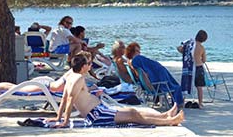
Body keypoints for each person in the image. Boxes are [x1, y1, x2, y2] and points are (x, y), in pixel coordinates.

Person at [45, 53, 184, 128]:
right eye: (89, 64)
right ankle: (169, 121)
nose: (91, 65)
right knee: (134, 116)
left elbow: (64, 98)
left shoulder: (71, 75)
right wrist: (64, 121)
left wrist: (58, 117)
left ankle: (165, 116)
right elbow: (68, 100)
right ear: (83, 66)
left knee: (133, 112)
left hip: (99, 110)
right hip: (97, 115)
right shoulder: (77, 79)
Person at [125, 42, 184, 107]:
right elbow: (144, 76)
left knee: (173, 85)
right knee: (175, 86)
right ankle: (178, 103)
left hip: (159, 73)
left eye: (139, 51)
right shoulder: (137, 59)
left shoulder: (132, 63)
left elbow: (144, 74)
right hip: (160, 75)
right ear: (131, 52)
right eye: (137, 51)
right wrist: (150, 87)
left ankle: (177, 102)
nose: (139, 53)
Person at [0, 69, 73, 93]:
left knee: (11, 86)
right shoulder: (75, 76)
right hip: (44, 87)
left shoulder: (71, 73)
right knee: (10, 87)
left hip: (45, 85)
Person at [178, 30, 208, 109]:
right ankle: (200, 103)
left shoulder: (189, 44)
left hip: (189, 67)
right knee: (199, 86)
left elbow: (179, 48)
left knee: (185, 84)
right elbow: (204, 60)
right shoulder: (201, 47)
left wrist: (185, 52)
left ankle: (182, 101)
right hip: (198, 67)